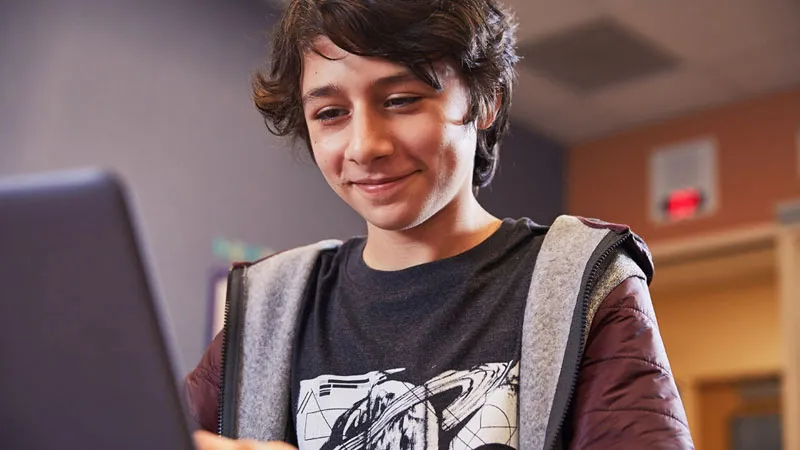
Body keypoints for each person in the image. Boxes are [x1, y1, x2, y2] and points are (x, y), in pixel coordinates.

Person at [187, 0, 695, 449]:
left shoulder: (582, 284)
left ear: (485, 100)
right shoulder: (271, 303)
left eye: (401, 100)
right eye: (331, 113)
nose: (365, 146)